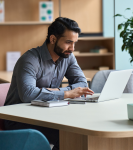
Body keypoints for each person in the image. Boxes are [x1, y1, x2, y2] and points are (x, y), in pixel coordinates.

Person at [4, 17, 94, 150]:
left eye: (75, 43)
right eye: (68, 42)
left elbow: (82, 83)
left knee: (78, 130)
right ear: (53, 39)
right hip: (20, 120)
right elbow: (28, 95)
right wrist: (66, 93)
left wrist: (55, 91)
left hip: (46, 115)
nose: (72, 48)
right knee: (69, 135)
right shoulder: (30, 60)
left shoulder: (67, 56)